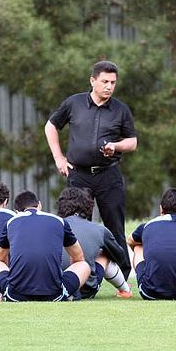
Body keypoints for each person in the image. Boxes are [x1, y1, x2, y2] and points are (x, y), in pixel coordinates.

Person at [45, 60, 137, 276]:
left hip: (108, 174)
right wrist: (59, 157)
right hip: (78, 175)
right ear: (92, 81)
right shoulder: (73, 103)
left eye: (113, 82)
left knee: (115, 227)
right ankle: (72, 272)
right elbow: (51, 126)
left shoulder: (120, 110)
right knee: (74, 226)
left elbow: (132, 142)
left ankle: (122, 279)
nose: (109, 86)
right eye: (105, 81)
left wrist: (115, 146)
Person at [0, 190, 90, 302]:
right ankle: (67, 293)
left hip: (16, 295)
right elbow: (78, 257)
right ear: (39, 205)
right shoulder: (59, 221)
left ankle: (6, 292)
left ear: (17, 211)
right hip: (54, 295)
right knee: (83, 265)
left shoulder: (11, 222)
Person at [56, 186, 132, 299]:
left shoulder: (52, 226)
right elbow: (121, 257)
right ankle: (125, 290)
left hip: (55, 286)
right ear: (88, 205)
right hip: (85, 290)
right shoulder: (99, 230)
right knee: (105, 254)